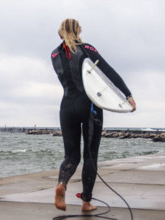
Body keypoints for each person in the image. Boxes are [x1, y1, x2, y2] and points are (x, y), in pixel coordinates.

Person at [51, 18, 136, 212]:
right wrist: (127, 95)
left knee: (71, 156)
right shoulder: (86, 48)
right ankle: (86, 202)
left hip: (66, 107)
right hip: (89, 106)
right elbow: (108, 71)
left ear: (60, 33)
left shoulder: (54, 54)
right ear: (79, 31)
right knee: (90, 155)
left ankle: (62, 184)